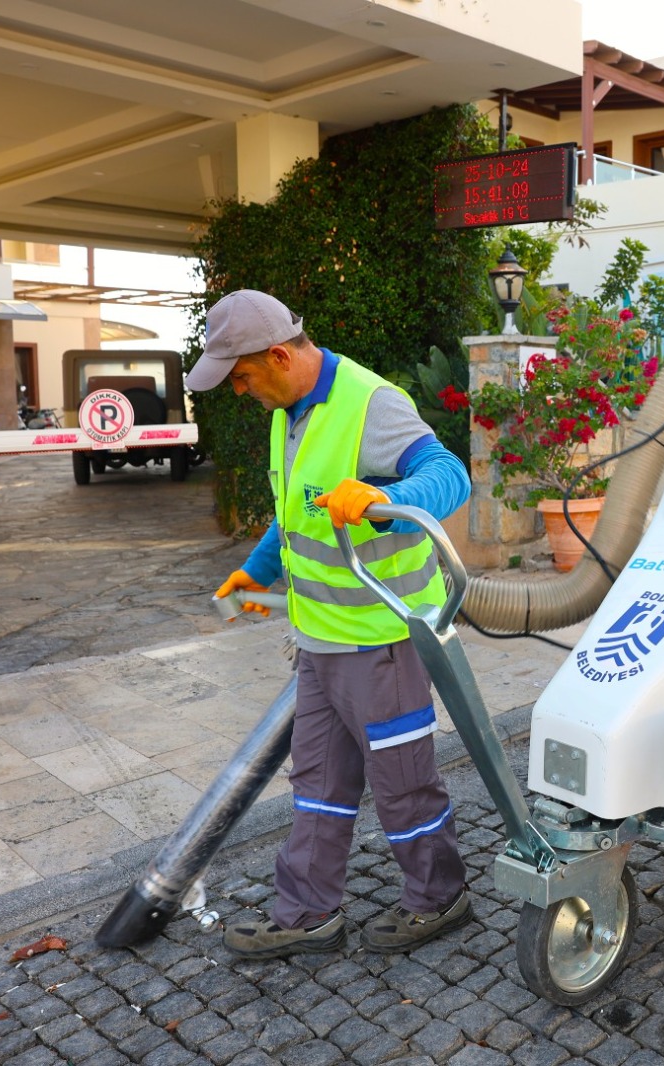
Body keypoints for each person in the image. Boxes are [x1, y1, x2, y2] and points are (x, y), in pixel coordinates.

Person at [189, 289, 473, 959]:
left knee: (403, 787)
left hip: (384, 642)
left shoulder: (371, 405)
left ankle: (440, 897)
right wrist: (256, 572)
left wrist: (387, 497)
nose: (241, 390)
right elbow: (297, 517)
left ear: (280, 355)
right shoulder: (287, 412)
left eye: (243, 376)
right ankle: (308, 912)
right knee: (318, 784)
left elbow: (450, 475)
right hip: (319, 646)